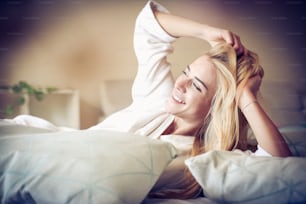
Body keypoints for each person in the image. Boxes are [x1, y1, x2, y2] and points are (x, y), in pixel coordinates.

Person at [4, 0, 292, 199]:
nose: (180, 84)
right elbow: (148, 28)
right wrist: (207, 32)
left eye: (197, 86)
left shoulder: (209, 159)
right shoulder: (158, 99)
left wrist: (244, 97)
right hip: (47, 144)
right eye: (185, 72)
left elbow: (278, 163)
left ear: (217, 109)